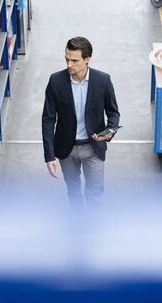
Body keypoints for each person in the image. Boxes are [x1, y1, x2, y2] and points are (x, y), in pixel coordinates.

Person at [42, 37, 120, 208]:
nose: (69, 64)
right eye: (67, 59)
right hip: (66, 150)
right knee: (74, 192)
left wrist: (108, 132)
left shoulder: (103, 81)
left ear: (87, 59)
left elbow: (113, 112)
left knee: (94, 194)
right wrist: (49, 155)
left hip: (93, 148)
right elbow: (48, 119)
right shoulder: (55, 81)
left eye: (74, 60)